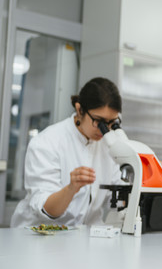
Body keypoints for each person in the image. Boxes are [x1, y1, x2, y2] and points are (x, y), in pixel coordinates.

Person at [11, 77, 124, 227]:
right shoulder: (47, 142)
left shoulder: (108, 145)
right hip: (40, 236)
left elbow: (116, 199)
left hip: (84, 237)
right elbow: (46, 208)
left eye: (112, 123)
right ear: (79, 110)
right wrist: (71, 188)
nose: (105, 130)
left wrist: (142, 180)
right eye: (99, 122)